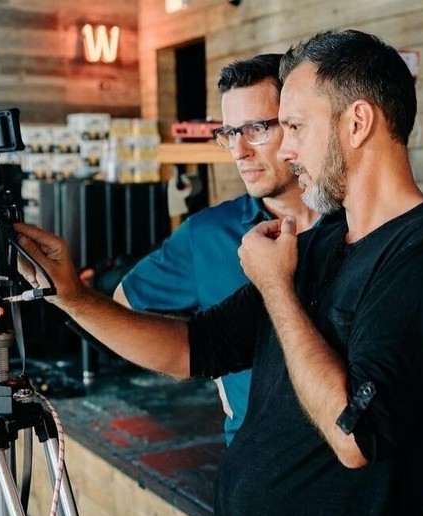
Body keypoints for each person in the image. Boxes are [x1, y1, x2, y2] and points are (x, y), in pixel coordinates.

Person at [14, 29, 423, 516]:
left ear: (358, 122)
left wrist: (277, 289)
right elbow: (194, 348)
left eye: (295, 126)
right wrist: (71, 296)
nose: (284, 148)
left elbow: (356, 434)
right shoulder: (321, 243)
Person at [114, 53, 316, 444]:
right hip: (255, 459)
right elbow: (125, 303)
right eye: (229, 133)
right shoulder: (206, 234)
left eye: (256, 128)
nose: (239, 151)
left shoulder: (355, 220)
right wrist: (203, 358)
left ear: (296, 124)